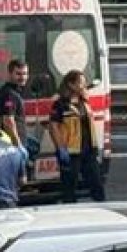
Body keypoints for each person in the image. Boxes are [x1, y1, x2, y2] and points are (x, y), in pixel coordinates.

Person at [50, 69, 106, 203]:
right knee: (69, 187)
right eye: (81, 83)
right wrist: (60, 148)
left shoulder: (85, 102)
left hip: (88, 150)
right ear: (71, 84)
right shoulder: (61, 104)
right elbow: (54, 127)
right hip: (71, 151)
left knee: (97, 184)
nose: (84, 85)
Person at [0, 59, 32, 156]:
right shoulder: (9, 94)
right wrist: (18, 145)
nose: (23, 77)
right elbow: (8, 122)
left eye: (25, 74)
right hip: (11, 147)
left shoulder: (15, 92)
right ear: (9, 74)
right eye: (18, 74)